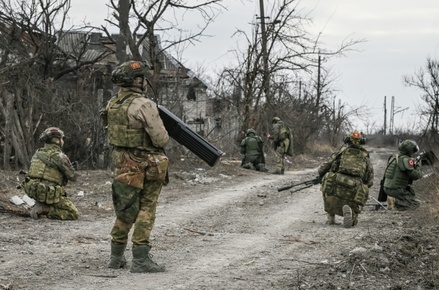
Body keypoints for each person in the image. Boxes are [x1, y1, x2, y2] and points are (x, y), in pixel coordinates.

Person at [101, 60, 170, 273]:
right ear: (137, 81)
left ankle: (116, 257)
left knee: (125, 208)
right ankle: (141, 259)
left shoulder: (112, 104)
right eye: (143, 78)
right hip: (145, 162)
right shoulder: (143, 104)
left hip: (121, 162)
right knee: (146, 208)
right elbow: (160, 139)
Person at [318, 131, 374, 228]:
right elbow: (370, 180)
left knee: (327, 180)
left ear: (347, 140)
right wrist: (363, 185)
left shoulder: (341, 152)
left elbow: (324, 167)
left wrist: (321, 175)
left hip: (337, 182)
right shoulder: (365, 156)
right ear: (362, 142)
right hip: (355, 186)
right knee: (361, 192)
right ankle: (352, 215)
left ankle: (331, 217)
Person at [23, 127, 79, 220]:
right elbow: (73, 177)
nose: (63, 141)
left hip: (34, 191)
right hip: (49, 193)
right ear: (57, 140)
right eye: (62, 139)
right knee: (73, 213)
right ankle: (46, 209)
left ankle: (40, 205)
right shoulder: (59, 156)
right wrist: (74, 169)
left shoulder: (37, 154)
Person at [383, 139, 423, 211]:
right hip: (396, 189)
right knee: (416, 204)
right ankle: (395, 201)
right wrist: (417, 166)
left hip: (386, 188)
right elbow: (415, 176)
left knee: (411, 196)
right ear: (409, 150)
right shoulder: (406, 160)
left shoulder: (393, 157)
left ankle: (394, 203)